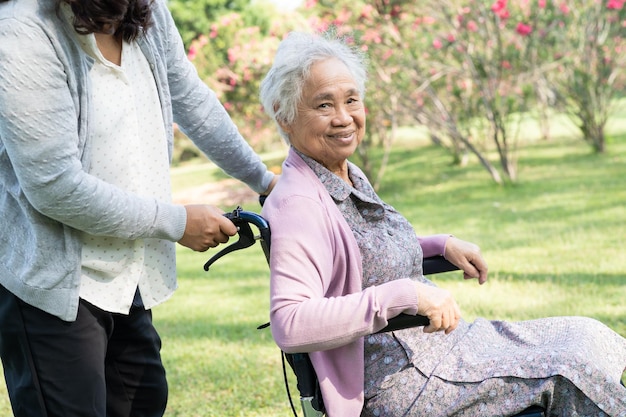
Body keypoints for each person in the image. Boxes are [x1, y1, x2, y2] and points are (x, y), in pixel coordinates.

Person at [259, 31, 626, 417]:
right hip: (401, 379)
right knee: (569, 371)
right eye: (323, 105)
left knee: (587, 335)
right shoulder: (299, 203)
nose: (344, 117)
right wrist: (406, 295)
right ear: (285, 114)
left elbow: (363, 251)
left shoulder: (340, 171)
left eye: (351, 100)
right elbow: (290, 323)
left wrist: (438, 245)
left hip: (441, 347)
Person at [0, 0, 278, 416]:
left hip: (129, 275)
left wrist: (266, 181)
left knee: (144, 401)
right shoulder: (22, 31)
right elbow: (54, 186)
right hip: (57, 286)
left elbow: (192, 101)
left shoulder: (147, 11)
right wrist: (177, 222)